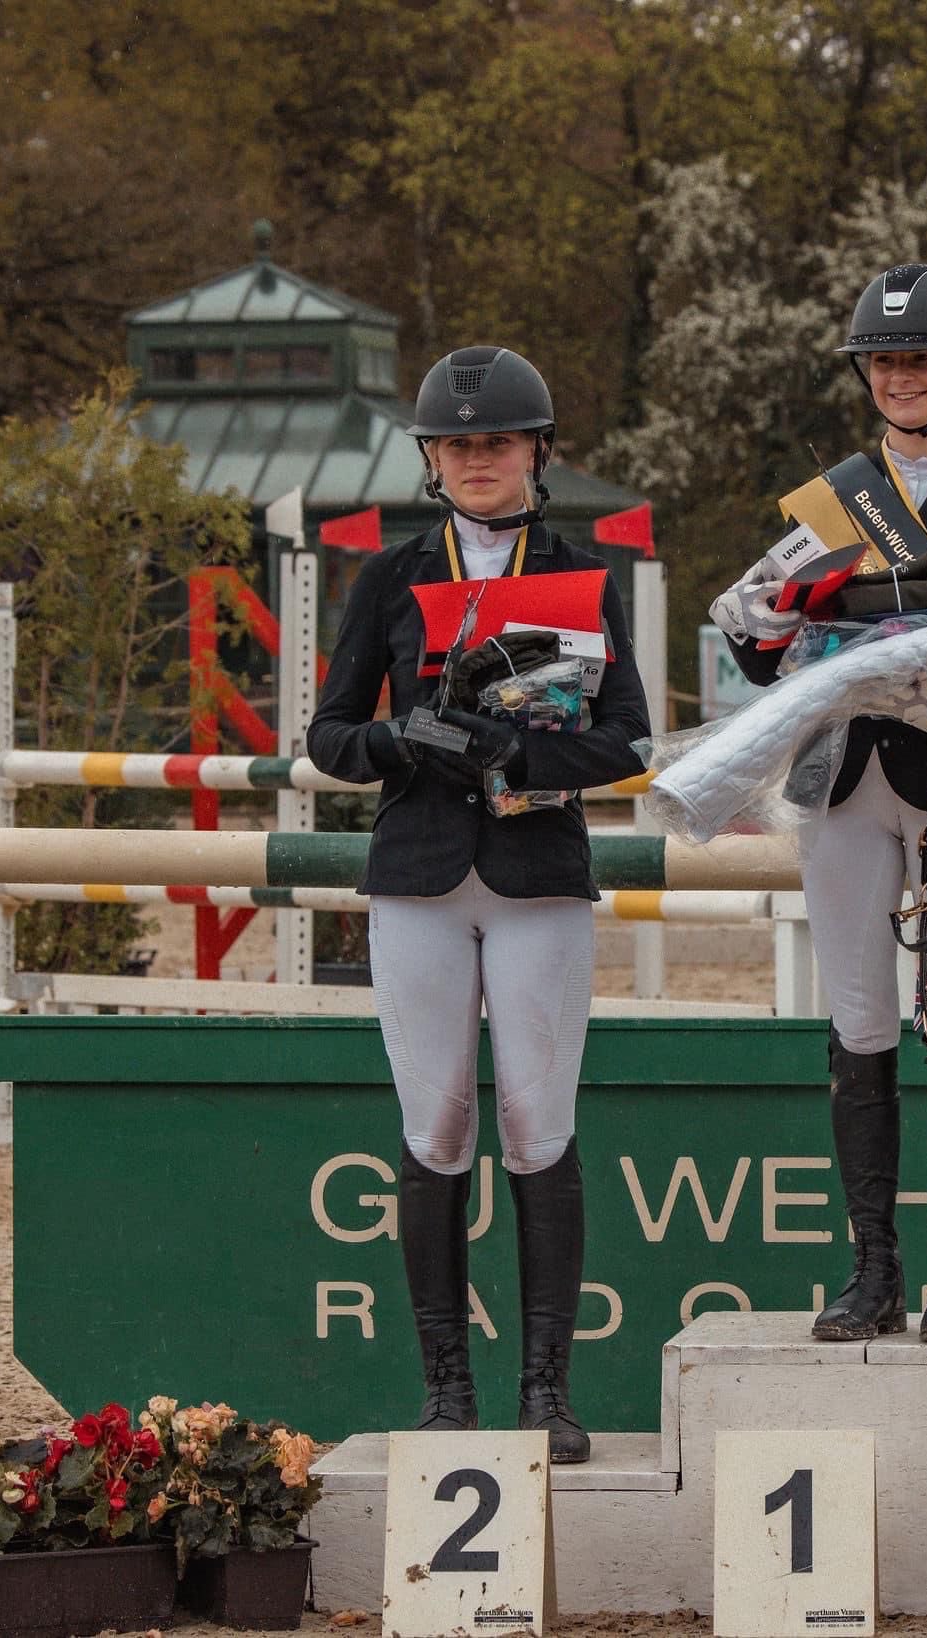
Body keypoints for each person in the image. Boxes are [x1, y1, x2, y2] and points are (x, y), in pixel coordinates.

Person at [711, 265, 927, 1344]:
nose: (899, 378)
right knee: (858, 1024)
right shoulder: (823, 508)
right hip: (843, 788)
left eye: (918, 360)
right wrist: (754, 624)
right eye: (883, 361)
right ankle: (872, 1270)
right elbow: (767, 655)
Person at [308, 346, 649, 1461]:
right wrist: (398, 737)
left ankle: (544, 1390)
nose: (478, 460)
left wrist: (523, 747)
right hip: (414, 872)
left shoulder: (586, 575)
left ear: (535, 453)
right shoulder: (391, 577)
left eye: (496, 444)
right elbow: (327, 738)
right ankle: (445, 1389)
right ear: (434, 461)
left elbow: (627, 739)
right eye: (459, 446)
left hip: (535, 872)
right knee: (437, 1122)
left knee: (536, 1124)